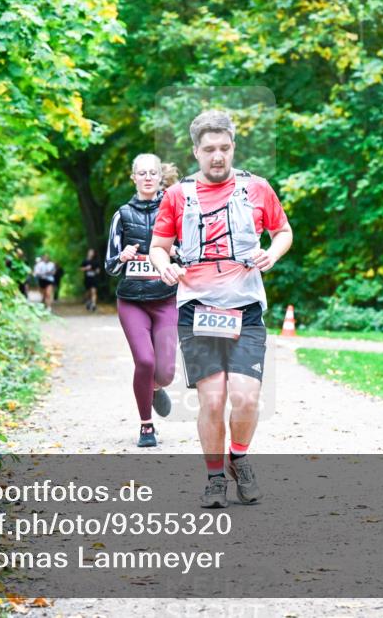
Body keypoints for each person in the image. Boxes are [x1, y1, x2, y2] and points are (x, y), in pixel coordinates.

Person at [149, 110, 292, 508]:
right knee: (212, 400)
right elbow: (158, 247)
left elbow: (283, 231)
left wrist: (272, 255)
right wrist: (166, 267)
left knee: (246, 399)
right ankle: (215, 479)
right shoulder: (178, 195)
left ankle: (239, 458)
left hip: (245, 307)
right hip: (197, 308)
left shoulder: (257, 189)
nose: (218, 156)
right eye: (209, 149)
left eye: (224, 148)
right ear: (196, 151)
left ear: (233, 148)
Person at [105, 153, 179, 447]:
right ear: (133, 177)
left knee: (166, 373)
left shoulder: (175, 210)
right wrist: (122, 257)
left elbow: (189, 253)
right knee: (145, 361)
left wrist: (176, 254)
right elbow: (109, 266)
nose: (148, 177)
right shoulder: (121, 215)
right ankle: (146, 426)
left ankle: (157, 388)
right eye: (142, 173)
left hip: (165, 299)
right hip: (132, 300)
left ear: (161, 177)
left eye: (153, 173)